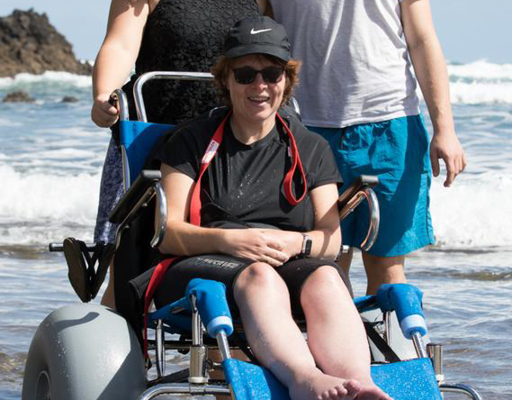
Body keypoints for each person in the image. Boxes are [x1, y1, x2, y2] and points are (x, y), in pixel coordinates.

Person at [146, 16, 392, 400]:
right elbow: (167, 233)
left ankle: (358, 386)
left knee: (326, 277)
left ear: (286, 81)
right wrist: (229, 241)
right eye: (245, 74)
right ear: (226, 80)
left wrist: (296, 244)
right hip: (205, 258)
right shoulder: (189, 142)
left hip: (287, 258)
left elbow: (330, 240)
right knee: (261, 275)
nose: (260, 86)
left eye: (272, 74)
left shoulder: (310, 147)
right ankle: (304, 379)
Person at [269, 0, 467, 294]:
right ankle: (335, 341)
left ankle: (386, 340)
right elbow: (259, 35)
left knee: (387, 267)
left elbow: (422, 39)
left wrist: (445, 129)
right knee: (321, 268)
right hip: (302, 125)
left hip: (389, 124)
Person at [89, 0, 268, 308]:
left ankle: (229, 353)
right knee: (131, 268)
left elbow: (273, 52)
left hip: (235, 139)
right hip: (159, 138)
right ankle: (111, 348)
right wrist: (104, 94)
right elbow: (119, 44)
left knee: (233, 261)